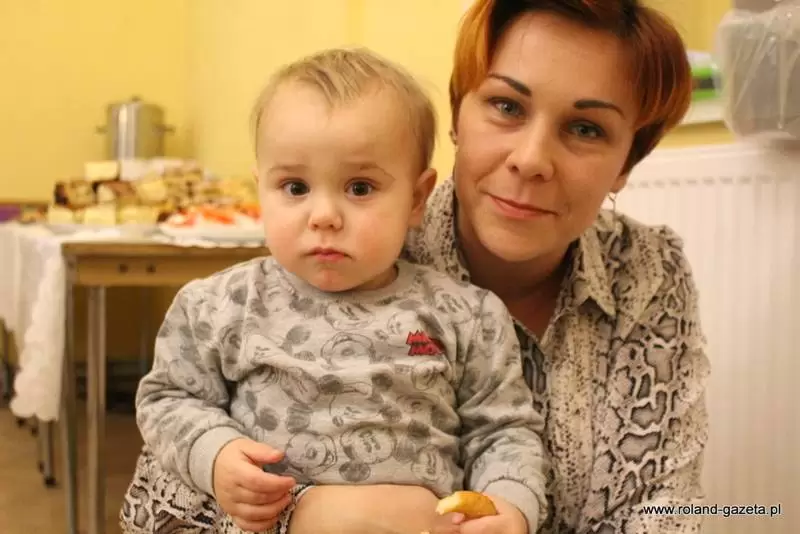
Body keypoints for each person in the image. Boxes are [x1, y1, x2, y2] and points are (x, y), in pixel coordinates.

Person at [282, 1, 711, 533]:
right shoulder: (346, 252)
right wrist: (305, 513)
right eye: (507, 106)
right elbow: (187, 506)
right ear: (457, 114)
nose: (530, 160)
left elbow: (664, 509)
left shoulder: (647, 271)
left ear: (628, 162)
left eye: (585, 129)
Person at [121, 48, 548, 534]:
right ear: (261, 189)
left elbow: (503, 432)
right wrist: (214, 454)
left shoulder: (466, 315)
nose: (323, 216)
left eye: (360, 188)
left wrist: (510, 506)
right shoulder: (219, 305)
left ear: (416, 198)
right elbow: (168, 398)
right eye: (295, 187)